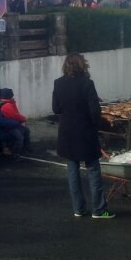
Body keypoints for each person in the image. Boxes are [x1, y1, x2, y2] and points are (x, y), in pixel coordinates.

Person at [53, 53, 114, 219]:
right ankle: (99, 210)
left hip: (67, 132)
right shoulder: (87, 83)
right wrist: (96, 128)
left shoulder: (58, 83)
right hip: (85, 131)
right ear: (82, 65)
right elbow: (95, 111)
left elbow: (55, 108)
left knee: (72, 170)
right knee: (93, 170)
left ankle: (78, 209)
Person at [0, 88, 31, 153]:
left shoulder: (9, 103)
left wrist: (21, 120)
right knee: (19, 137)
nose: (12, 96)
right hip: (9, 126)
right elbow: (15, 115)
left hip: (12, 124)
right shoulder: (7, 105)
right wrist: (24, 119)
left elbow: (16, 114)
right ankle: (15, 153)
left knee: (26, 130)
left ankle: (25, 148)